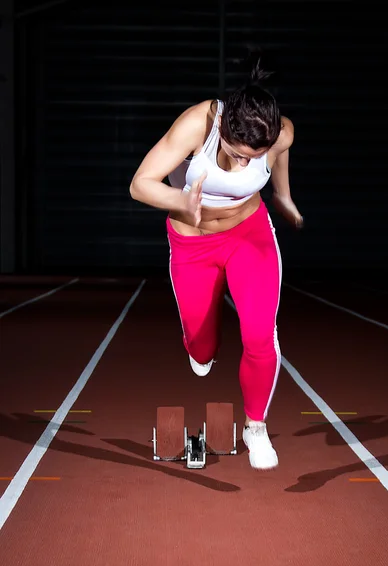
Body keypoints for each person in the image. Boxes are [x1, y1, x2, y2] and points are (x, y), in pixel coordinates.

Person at [129, 55, 303, 470]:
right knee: (202, 349)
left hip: (249, 235)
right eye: (239, 155)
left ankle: (255, 427)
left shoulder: (281, 135)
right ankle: (202, 348)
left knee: (261, 333)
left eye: (253, 157)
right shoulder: (198, 124)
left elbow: (278, 170)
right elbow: (140, 185)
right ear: (224, 131)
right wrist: (181, 201)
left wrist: (285, 201)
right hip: (194, 244)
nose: (246, 163)